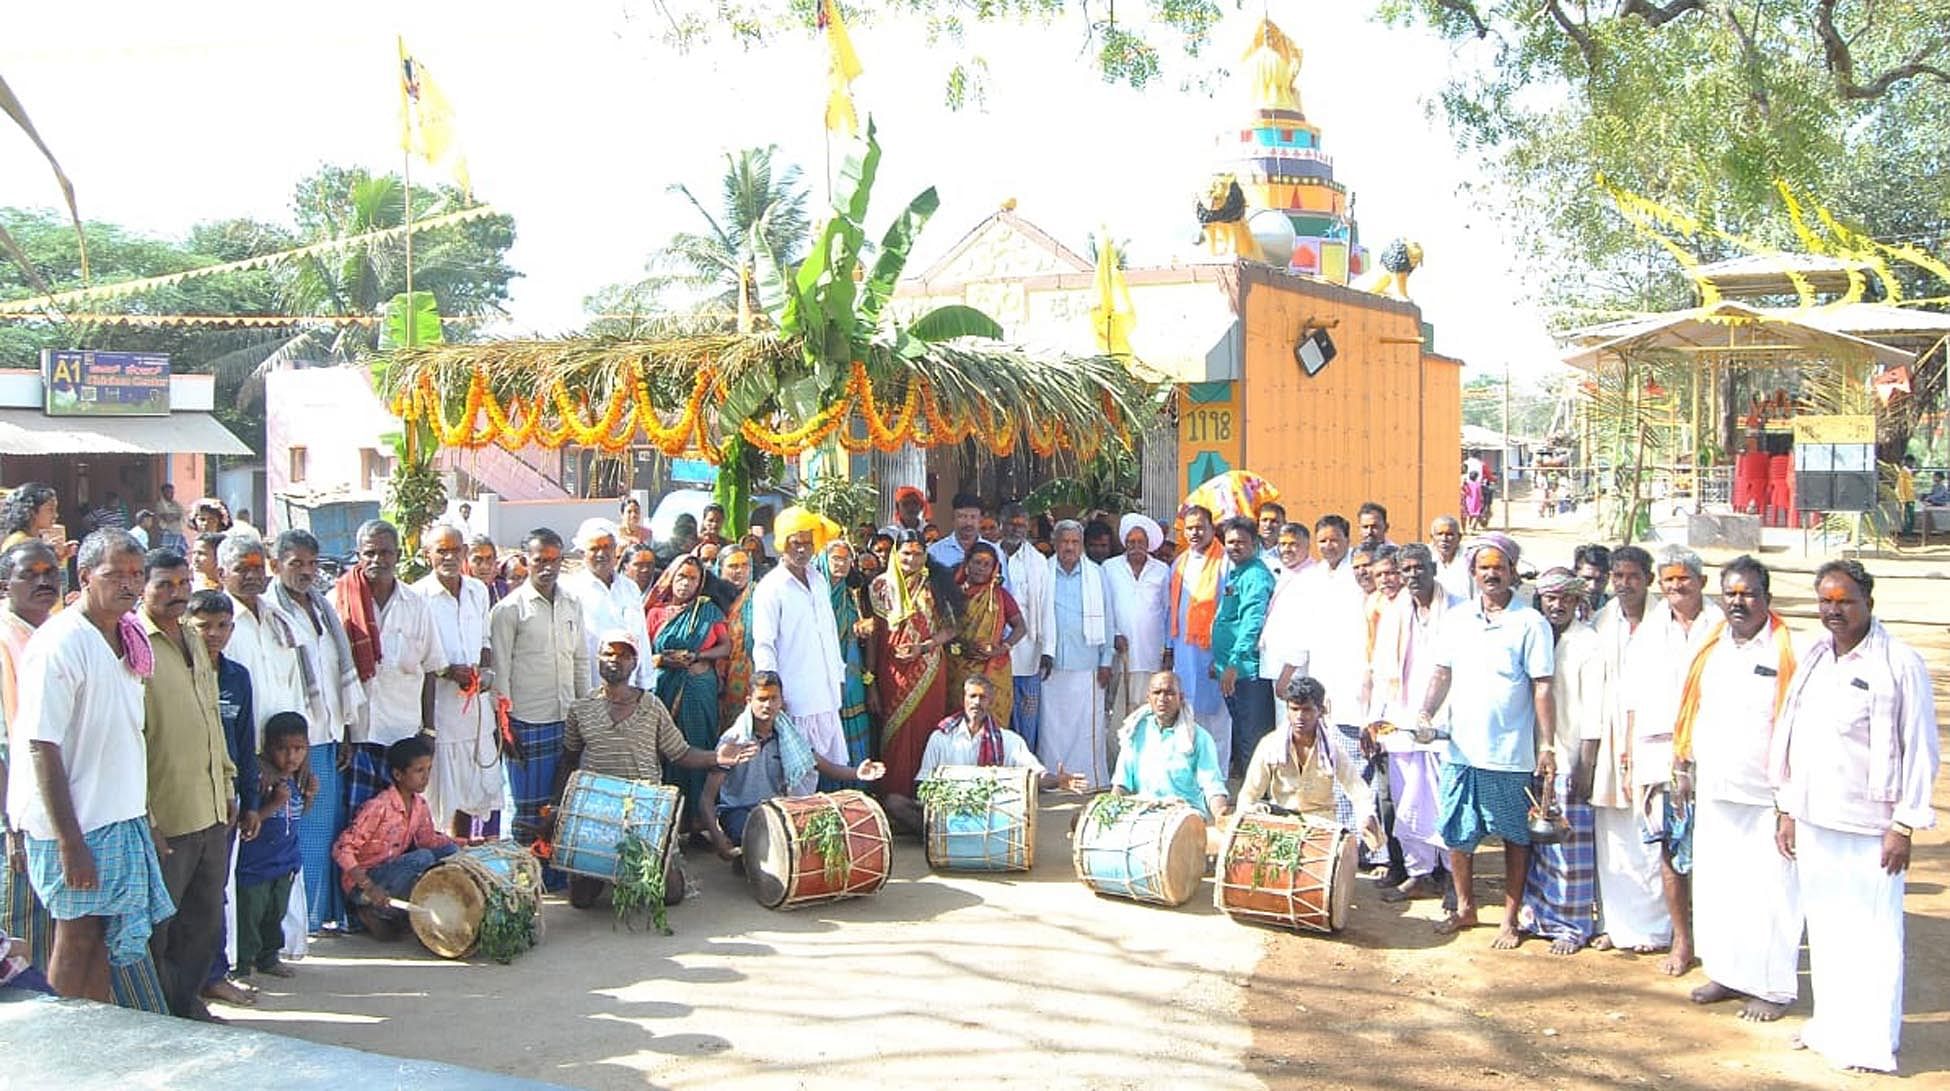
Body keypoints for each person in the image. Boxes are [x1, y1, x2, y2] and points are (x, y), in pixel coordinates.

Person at [1770, 559, 1937, 1073]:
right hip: (1817, 818)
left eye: (1845, 601)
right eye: (1826, 601)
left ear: (1869, 604)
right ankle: (1832, 1028)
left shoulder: (1898, 664)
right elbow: (1794, 736)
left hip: (1872, 828)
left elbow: (1921, 748)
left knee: (1872, 936)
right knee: (1825, 930)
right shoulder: (1817, 657)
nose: (1834, 610)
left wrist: (1903, 825)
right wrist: (1789, 810)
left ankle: (1869, 1043)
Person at [0, 540, 167, 1013]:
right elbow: (40, 745)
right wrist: (71, 843)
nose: (129, 585)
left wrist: (145, 819)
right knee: (75, 938)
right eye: (116, 574)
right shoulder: (61, 642)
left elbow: (125, 740)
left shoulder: (128, 638)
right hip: (74, 828)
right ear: (85, 577)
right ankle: (60, 1050)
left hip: (119, 818)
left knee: (101, 940)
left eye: (137, 574)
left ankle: (92, 1040)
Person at [1667, 556, 1801, 1020]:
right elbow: (1691, 710)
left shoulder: (1788, 650)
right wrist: (1681, 766)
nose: (1738, 602)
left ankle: (1773, 988)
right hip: (1715, 787)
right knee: (1719, 889)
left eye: (1748, 594)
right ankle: (1726, 973)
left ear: (1767, 597)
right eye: (1731, 594)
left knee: (1770, 895)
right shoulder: (1712, 645)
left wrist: (1790, 803)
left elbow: (1798, 728)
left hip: (1767, 796)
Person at [1415, 533, 1556, 946]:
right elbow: (1442, 672)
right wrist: (1425, 712)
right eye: (1484, 568)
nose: (1492, 574)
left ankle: (1510, 919)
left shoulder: (1531, 623)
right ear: (1473, 573)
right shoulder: (1457, 619)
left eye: (1499, 567)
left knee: (1515, 836)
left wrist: (1546, 746)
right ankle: (1464, 907)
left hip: (1510, 753)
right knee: (1457, 832)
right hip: (1461, 749)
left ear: (1512, 572)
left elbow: (1542, 687)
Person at [554, 629, 754, 908]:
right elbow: (569, 758)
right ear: (597, 659)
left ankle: (643, 863)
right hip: (598, 811)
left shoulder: (652, 706)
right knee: (581, 900)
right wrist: (558, 808)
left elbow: (681, 753)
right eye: (608, 654)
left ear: (635, 663)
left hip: (643, 810)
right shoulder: (581, 708)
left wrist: (716, 757)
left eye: (624, 655)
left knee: (672, 895)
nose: (615, 660)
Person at [136, 547, 234, 1020]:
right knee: (162, 923)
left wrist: (229, 782)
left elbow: (211, 718)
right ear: (143, 587)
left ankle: (185, 1003)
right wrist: (148, 816)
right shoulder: (133, 641)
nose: (176, 594)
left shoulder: (195, 640)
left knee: (205, 918)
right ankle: (157, 1010)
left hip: (212, 806)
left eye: (183, 584)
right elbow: (132, 735)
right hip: (168, 812)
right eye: (165, 585)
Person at [1619, 544, 1721, 975]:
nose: (1676, 586)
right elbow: (1632, 698)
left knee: (1716, 851)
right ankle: (1681, 940)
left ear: (1702, 581)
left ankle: (1720, 941)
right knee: (1669, 849)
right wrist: (1627, 757)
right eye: (1669, 580)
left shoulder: (1722, 625)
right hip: (1658, 754)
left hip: (1714, 754)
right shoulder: (1651, 629)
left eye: (1684, 578)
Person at [222, 533, 329, 932]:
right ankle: (238, 954)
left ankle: (276, 945)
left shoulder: (277, 619)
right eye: (241, 568)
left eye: (256, 567)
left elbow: (295, 688)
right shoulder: (217, 621)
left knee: (283, 857)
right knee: (241, 862)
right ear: (222, 573)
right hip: (244, 760)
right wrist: (251, 761)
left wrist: (300, 756)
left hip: (285, 755)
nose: (251, 576)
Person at [488, 528, 589, 885]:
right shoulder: (508, 610)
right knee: (527, 808)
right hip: (526, 722)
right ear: (525, 560)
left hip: (567, 717)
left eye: (553, 560)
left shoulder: (572, 604)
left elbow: (580, 661)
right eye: (539, 560)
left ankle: (558, 875)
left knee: (561, 802)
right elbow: (499, 673)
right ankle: (525, 878)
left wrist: (584, 712)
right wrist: (506, 727)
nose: (547, 567)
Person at [1584, 544, 1670, 956]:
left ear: (1649, 579)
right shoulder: (1602, 622)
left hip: (1656, 741)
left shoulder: (1668, 621)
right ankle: (1616, 927)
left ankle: (1658, 931)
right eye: (1618, 576)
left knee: (1652, 835)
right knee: (1614, 836)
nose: (1624, 584)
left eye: (1633, 576)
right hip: (1611, 740)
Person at [182, 588, 265, 1007]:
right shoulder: (175, 671)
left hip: (226, 801)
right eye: (203, 627)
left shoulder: (237, 677)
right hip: (182, 799)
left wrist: (251, 802)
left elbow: (246, 743)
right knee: (183, 894)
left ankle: (214, 974)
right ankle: (182, 983)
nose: (213, 635)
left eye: (221, 627)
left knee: (215, 889)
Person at [1362, 542, 1459, 903]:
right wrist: (1373, 719)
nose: (1413, 576)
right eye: (1407, 570)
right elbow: (1379, 670)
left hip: (1446, 725)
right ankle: (1419, 873)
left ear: (1433, 569)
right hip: (1401, 722)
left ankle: (1452, 876)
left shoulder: (1458, 611)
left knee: (1445, 801)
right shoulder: (1395, 614)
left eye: (1420, 568)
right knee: (1408, 801)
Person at [1516, 568, 1605, 955]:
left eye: (1564, 599)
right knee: (1539, 845)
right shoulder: (1535, 635)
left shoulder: (1587, 643)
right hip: (1532, 754)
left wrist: (1585, 764)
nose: (1556, 605)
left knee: (1570, 847)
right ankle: (1539, 915)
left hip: (1569, 759)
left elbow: (1593, 711)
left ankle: (1572, 925)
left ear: (1576, 601)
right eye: (1550, 598)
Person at [700, 672, 884, 858]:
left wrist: (858, 773)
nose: (768, 705)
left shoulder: (789, 737)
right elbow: (707, 799)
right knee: (760, 838)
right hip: (738, 811)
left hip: (778, 808)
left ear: (782, 701)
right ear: (749, 701)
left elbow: (823, 765)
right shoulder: (733, 740)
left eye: (773, 699)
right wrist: (719, 840)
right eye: (762, 699)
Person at [338, 521, 447, 815]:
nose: (378, 560)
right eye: (370, 553)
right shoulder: (338, 603)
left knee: (399, 824)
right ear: (358, 555)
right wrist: (344, 735)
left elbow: (431, 669)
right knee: (356, 825)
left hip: (403, 735)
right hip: (357, 736)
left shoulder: (416, 605)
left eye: (385, 553)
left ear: (398, 555)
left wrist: (429, 730)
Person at [883, 674, 1085, 831]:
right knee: (894, 802)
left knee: (1017, 812)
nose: (977, 703)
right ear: (964, 699)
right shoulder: (941, 736)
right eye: (972, 696)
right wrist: (947, 800)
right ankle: (950, 831)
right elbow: (922, 783)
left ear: (991, 701)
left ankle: (951, 834)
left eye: (983, 697)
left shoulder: (1008, 740)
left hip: (989, 814)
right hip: (949, 812)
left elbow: (1034, 775)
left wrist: (1058, 781)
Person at [751, 507, 856, 789]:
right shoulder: (770, 588)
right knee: (795, 778)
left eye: (808, 543)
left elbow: (830, 635)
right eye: (795, 543)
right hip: (793, 698)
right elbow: (764, 643)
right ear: (783, 544)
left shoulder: (819, 580)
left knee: (828, 773)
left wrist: (839, 677)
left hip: (826, 694)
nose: (802, 550)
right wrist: (772, 693)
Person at [413, 525, 502, 838]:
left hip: (477, 711)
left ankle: (466, 859)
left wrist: (486, 669)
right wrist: (448, 671)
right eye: (442, 550)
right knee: (444, 798)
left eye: (455, 550)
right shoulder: (418, 596)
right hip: (442, 712)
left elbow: (485, 639)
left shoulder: (478, 591)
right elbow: (417, 657)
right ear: (428, 555)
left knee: (474, 790)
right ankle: (447, 861)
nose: (449, 557)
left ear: (465, 553)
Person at [1290, 514, 1371, 840]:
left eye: (1334, 539)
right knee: (1327, 756)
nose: (1328, 546)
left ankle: (1366, 841)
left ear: (1347, 539)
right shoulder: (1314, 577)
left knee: (1357, 760)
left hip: (1355, 674)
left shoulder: (1359, 574)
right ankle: (1337, 834)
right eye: (1322, 540)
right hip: (1324, 672)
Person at [1238, 677, 1383, 854]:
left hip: (1323, 827)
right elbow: (1249, 793)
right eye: (1294, 709)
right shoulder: (1270, 745)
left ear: (1321, 711)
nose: (1299, 717)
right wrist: (1246, 819)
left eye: (1306, 710)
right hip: (1281, 823)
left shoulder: (1332, 749)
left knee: (1345, 855)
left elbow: (1358, 790)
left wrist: (1366, 815)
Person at [332, 736, 457, 939]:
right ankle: (368, 908)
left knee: (450, 852)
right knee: (422, 858)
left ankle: (392, 912)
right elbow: (342, 848)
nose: (426, 777)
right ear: (398, 774)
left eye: (428, 770)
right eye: (419, 771)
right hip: (363, 882)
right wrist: (369, 887)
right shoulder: (379, 806)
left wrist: (466, 843)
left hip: (391, 872)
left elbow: (429, 840)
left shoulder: (419, 805)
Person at [643, 556, 730, 830]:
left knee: (699, 746)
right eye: (681, 577)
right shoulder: (655, 612)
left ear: (700, 582)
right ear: (671, 577)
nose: (686, 583)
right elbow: (645, 654)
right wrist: (664, 660)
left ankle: (697, 823)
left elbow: (726, 647)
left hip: (699, 688)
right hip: (665, 687)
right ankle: (666, 822)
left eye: (692, 578)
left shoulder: (708, 612)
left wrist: (697, 655)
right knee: (666, 749)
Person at [870, 531, 955, 797]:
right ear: (896, 554)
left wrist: (923, 647)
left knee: (926, 731)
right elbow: (874, 635)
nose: (911, 559)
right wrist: (870, 680)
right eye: (906, 553)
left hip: (929, 670)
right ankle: (893, 800)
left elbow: (951, 629)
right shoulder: (879, 587)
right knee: (893, 734)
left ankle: (922, 799)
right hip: (891, 672)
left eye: (918, 554)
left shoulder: (935, 585)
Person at [232, 713, 309, 989]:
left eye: (298, 749)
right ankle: (242, 963)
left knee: (275, 912)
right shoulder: (262, 781)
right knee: (250, 914)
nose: (291, 756)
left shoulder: (298, 779)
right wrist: (274, 802)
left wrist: (308, 797)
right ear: (267, 748)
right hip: (257, 864)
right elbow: (249, 822)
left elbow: (298, 814)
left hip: (286, 861)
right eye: (282, 749)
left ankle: (268, 957)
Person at [1038, 520, 1114, 788]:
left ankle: (1089, 780)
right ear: (1055, 542)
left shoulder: (1096, 574)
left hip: (1088, 662)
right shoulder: (1042, 571)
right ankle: (1053, 780)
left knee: (1086, 728)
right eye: (1064, 542)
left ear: (1081, 545)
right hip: (1051, 663)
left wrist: (1107, 660)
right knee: (1052, 728)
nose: (1069, 547)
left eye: (1074, 542)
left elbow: (1108, 617)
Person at [1163, 505, 1232, 786]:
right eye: (1189, 528)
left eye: (1200, 527)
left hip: (1212, 653)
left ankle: (1217, 778)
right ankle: (1192, 777)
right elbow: (1172, 609)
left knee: (1217, 718)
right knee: (1188, 714)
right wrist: (1168, 648)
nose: (1194, 533)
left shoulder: (1225, 562)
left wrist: (1225, 657)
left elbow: (1229, 610)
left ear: (1211, 528)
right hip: (1183, 652)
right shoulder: (1178, 563)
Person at [1110, 671, 1228, 821]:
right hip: (1144, 814)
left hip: (1186, 817)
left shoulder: (1199, 738)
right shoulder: (1135, 732)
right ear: (1148, 698)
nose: (1162, 699)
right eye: (1156, 693)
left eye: (1169, 693)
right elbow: (1121, 784)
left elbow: (1213, 786)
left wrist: (1221, 817)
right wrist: (1110, 812)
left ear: (1181, 698)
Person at [1211, 517, 1274, 778]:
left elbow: (1251, 623)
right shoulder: (1237, 573)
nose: (1235, 547)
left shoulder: (1256, 576)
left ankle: (1257, 804)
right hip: (1232, 670)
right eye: (1230, 542)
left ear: (1255, 544)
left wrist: (1234, 664)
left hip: (1248, 672)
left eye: (1241, 542)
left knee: (1253, 739)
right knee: (1242, 737)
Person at [562, 518, 652, 691]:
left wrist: (645, 684)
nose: (601, 554)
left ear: (616, 549)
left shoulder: (629, 588)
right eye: (594, 548)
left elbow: (641, 637)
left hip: (629, 688)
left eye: (607, 547)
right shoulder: (570, 590)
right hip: (588, 689)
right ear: (582, 553)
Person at [945, 541, 1023, 731]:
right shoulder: (952, 594)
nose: (981, 568)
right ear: (967, 564)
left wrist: (1002, 648)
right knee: (959, 724)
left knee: (993, 725)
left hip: (994, 668)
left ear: (994, 568)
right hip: (958, 668)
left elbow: (1020, 626)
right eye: (977, 562)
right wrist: (962, 647)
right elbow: (942, 629)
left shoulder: (1000, 595)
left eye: (986, 564)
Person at [815, 541, 878, 769]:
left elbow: (869, 633)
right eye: (836, 559)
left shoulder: (854, 595)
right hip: (820, 675)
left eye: (846, 559)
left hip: (851, 676)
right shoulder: (813, 594)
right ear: (824, 560)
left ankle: (855, 782)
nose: (841, 564)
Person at [1105, 513, 1169, 729]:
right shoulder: (1110, 567)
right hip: (1120, 654)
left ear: (1148, 544)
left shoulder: (1162, 571)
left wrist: (1167, 649)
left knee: (1148, 712)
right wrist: (1113, 634)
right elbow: (1105, 608)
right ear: (1124, 543)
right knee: (1117, 716)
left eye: (1140, 542)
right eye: (1131, 542)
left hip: (1150, 653)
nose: (1136, 546)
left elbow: (1167, 611)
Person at [997, 503, 1052, 748]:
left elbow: (1046, 606)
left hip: (1027, 652)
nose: (1017, 529)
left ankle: (1025, 767)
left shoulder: (1038, 561)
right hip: (993, 649)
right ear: (1001, 524)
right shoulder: (989, 554)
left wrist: (1048, 650)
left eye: (1021, 525)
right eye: (1012, 523)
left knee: (1026, 716)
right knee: (997, 712)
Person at [714, 546, 758, 727]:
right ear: (720, 569)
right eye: (732, 566)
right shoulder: (709, 599)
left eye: (744, 565)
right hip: (714, 679)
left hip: (750, 677)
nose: (739, 571)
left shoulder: (760, 596)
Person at [927, 493, 997, 575]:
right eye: (962, 516)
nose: (968, 523)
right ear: (953, 517)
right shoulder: (935, 552)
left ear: (981, 519)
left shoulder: (995, 552)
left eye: (973, 517)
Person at [1428, 516, 1470, 601]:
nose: (1444, 539)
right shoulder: (1425, 558)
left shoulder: (1469, 558)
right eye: (1439, 534)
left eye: (1449, 534)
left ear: (1459, 537)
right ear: (1432, 537)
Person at [1572, 543, 1612, 620]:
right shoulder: (1562, 609)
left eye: (1599, 580)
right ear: (1575, 574)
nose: (1592, 586)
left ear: (1608, 578)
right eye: (1586, 578)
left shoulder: (1616, 610)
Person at [467, 535, 509, 605]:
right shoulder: (459, 591)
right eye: (477, 560)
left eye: (489, 559)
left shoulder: (502, 589)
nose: (484, 566)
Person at [621, 542, 660, 607]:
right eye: (639, 565)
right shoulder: (614, 586)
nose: (645, 569)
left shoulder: (661, 588)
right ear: (625, 566)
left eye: (649, 565)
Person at [1894, 455, 1916, 535]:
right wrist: (1902, 498)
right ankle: (1907, 534)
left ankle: (1908, 533)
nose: (1913, 464)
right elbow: (1900, 486)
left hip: (1910, 497)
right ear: (1907, 462)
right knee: (1908, 517)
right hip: (1906, 499)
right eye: (1912, 462)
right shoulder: (1903, 472)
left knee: (1910, 517)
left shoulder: (1909, 472)